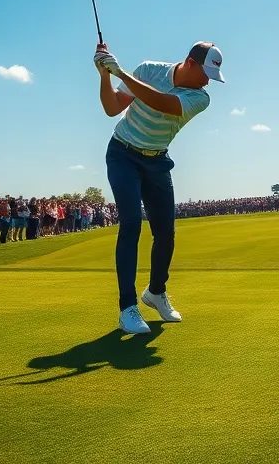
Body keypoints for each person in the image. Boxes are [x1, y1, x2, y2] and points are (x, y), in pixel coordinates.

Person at [93, 40, 224, 335]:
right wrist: (105, 73)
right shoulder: (149, 70)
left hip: (157, 160)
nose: (208, 82)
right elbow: (112, 108)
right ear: (190, 63)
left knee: (165, 232)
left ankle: (155, 292)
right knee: (131, 225)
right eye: (205, 74)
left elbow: (161, 103)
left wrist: (122, 74)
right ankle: (128, 307)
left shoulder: (200, 98)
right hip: (123, 154)